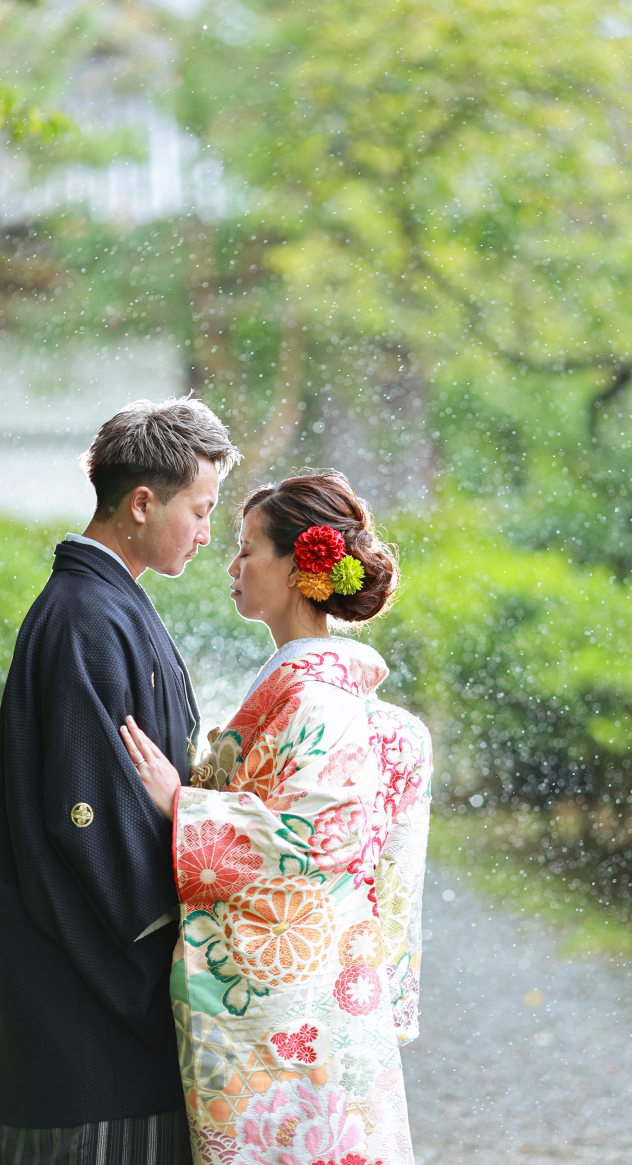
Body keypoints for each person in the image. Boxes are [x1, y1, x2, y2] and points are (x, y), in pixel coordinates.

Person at [119, 471, 433, 1165]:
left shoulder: (316, 700)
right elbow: (393, 886)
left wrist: (183, 804)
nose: (231, 566)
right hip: (328, 998)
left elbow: (310, 840)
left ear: (301, 567)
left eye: (248, 549)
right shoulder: (324, 695)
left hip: (296, 1006)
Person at [0, 397, 240, 1165]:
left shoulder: (107, 606)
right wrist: (186, 945)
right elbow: (83, 815)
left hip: (93, 998)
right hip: (87, 1005)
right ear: (140, 503)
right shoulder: (85, 618)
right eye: (201, 509)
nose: (205, 531)